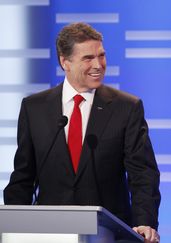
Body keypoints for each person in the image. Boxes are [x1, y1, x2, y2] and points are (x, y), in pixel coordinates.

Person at [4, 23, 161, 243]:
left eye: (102, 55)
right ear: (64, 62)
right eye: (88, 58)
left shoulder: (126, 107)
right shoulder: (34, 108)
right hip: (49, 234)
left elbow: (143, 174)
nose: (98, 65)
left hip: (109, 234)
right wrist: (13, 227)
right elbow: (23, 177)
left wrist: (145, 222)